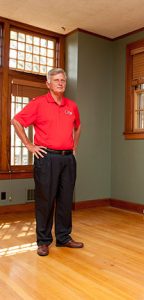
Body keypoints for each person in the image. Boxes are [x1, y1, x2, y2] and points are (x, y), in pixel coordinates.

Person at [11, 68, 83, 256]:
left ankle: (64, 237)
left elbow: (78, 126)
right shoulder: (38, 104)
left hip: (67, 159)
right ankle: (43, 241)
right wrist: (28, 145)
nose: (60, 83)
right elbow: (16, 121)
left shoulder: (72, 106)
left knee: (66, 199)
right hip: (46, 158)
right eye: (57, 80)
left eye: (63, 80)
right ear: (48, 84)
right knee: (45, 201)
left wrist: (74, 146)